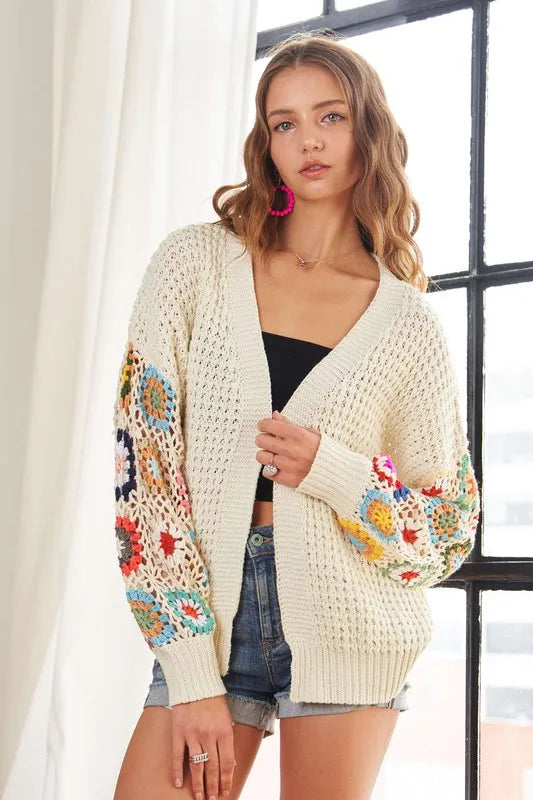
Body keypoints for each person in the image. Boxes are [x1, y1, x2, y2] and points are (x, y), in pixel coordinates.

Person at [113, 31, 480, 800]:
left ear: (367, 129)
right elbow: (143, 478)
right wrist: (190, 675)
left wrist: (335, 472)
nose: (307, 140)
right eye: (284, 123)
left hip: (350, 623)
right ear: (267, 143)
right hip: (210, 615)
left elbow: (445, 534)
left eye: (329, 116)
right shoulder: (195, 265)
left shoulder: (407, 324)